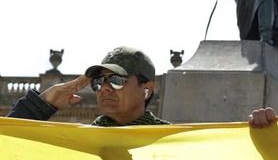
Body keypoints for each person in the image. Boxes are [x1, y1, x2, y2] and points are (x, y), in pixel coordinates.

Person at [6, 46, 169, 126]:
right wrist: (41, 105)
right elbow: (7, 147)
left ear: (146, 89)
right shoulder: (81, 141)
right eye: (98, 81)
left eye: (116, 80)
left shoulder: (171, 144)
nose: (104, 88)